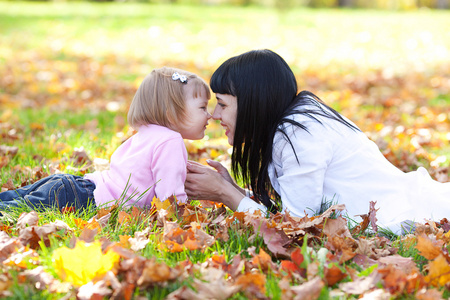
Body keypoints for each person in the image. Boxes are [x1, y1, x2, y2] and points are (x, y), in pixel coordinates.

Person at [184, 49, 450, 234]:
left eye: (221, 104)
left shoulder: (301, 137)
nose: (214, 114)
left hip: (424, 211)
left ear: (255, 103)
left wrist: (224, 193)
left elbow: (297, 227)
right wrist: (237, 191)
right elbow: (291, 206)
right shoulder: (293, 126)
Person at [0, 67, 211, 211]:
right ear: (171, 111)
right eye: (202, 107)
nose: (209, 115)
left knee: (10, 200)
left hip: (72, 185)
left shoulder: (147, 133)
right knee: (12, 210)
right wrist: (184, 218)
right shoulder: (170, 141)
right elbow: (171, 200)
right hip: (79, 198)